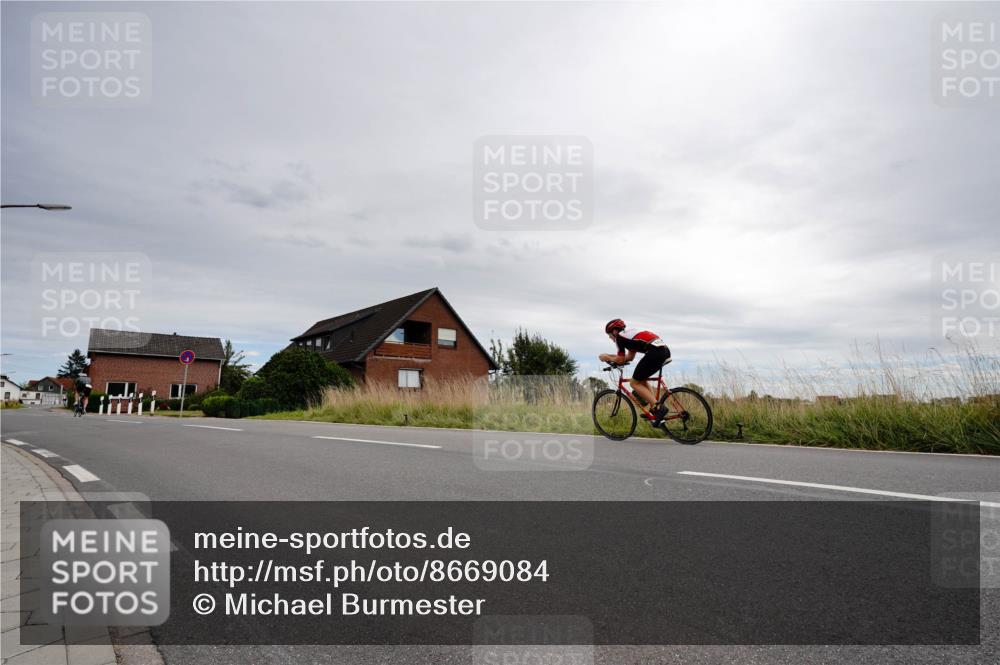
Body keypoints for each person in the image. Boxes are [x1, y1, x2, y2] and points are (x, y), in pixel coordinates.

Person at [599, 319, 671, 421]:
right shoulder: (629, 336)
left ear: (614, 331)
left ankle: (659, 407)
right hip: (664, 351)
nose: (610, 338)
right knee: (642, 379)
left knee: (634, 383)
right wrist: (609, 356)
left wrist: (606, 357)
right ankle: (654, 408)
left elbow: (620, 359)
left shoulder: (620, 338)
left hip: (654, 353)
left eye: (610, 335)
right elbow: (629, 357)